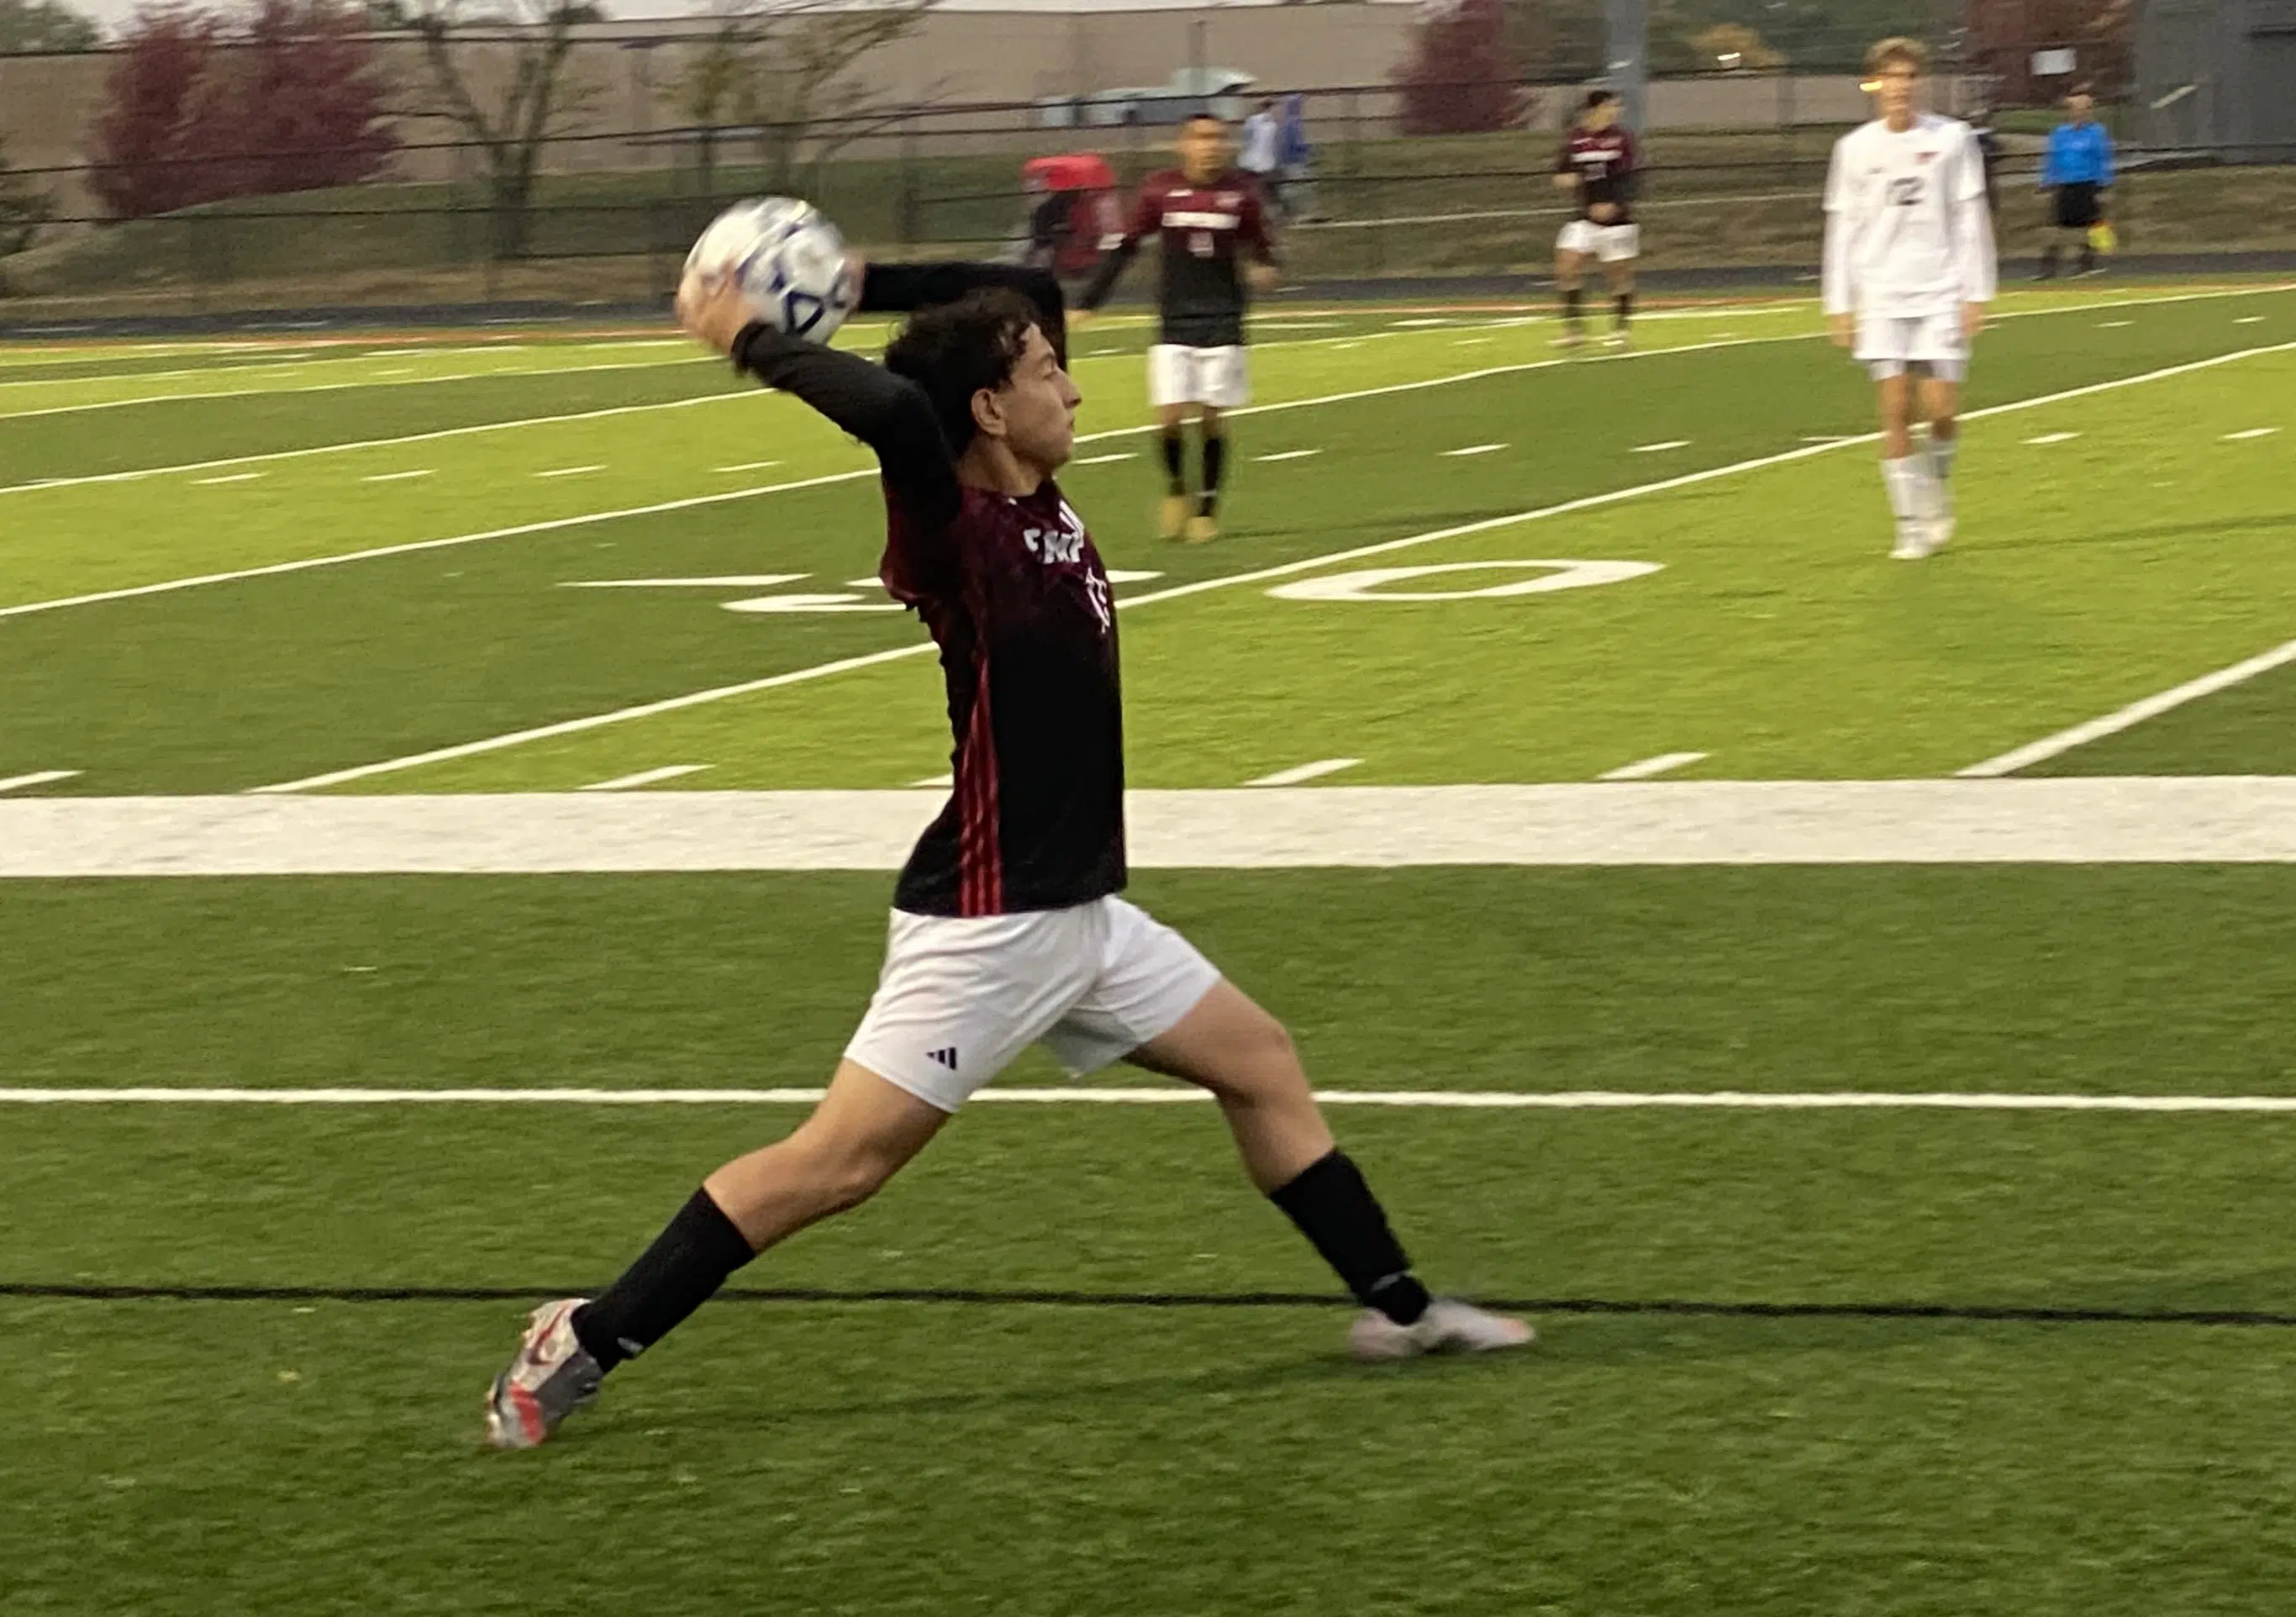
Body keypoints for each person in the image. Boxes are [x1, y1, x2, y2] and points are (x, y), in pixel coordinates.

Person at [482, 257, 1531, 1451]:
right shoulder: (954, 528)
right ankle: (584, 1339)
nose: (1076, 392)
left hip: (1082, 915)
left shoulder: (1037, 492)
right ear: (987, 407)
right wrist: (753, 337)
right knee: (835, 1168)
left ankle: (1397, 1312)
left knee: (1262, 1064)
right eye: (1045, 374)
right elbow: (887, 411)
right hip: (987, 924)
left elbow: (1022, 279)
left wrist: (854, 276)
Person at [1821, 37, 1996, 561]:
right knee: (1895, 408)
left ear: (1919, 83)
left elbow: (1970, 216)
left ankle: (1936, 486)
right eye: (1889, 78)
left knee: (1941, 410)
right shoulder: (1853, 149)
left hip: (1940, 289)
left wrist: (1977, 292)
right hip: (1881, 294)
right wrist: (1839, 301)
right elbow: (1843, 229)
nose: (1899, 87)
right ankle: (1908, 528)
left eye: (1908, 78)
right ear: (1874, 84)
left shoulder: (1952, 140)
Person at [1075, 113, 1279, 545]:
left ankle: (1207, 509)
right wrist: (1090, 301)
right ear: (1183, 144)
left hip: (1223, 317)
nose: (1212, 146)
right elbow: (1125, 247)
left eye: (1219, 138)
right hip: (1175, 318)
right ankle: (1175, 490)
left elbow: (1262, 247)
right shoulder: (1160, 190)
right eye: (1202, 138)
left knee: (1210, 416)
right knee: (1168, 417)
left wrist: (1265, 268)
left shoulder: (1242, 194)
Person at [1551, 89, 1641, 350]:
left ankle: (1621, 330)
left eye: (1616, 107)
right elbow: (1561, 174)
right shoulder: (1576, 139)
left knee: (1618, 275)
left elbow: (1631, 177)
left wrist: (1614, 204)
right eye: (1610, 106)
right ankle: (1573, 331)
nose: (1615, 111)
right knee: (1566, 265)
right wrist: (1568, 179)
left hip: (1617, 219)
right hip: (1585, 217)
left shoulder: (1622, 138)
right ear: (1594, 108)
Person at [2038, 87, 2114, 279]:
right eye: (2076, 108)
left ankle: (2088, 263)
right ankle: (2049, 268)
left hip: (2088, 184)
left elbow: (2102, 159)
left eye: (2085, 108)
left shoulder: (2096, 133)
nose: (2080, 112)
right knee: (2057, 227)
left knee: (2093, 225)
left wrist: (2105, 184)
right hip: (2066, 184)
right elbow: (2053, 159)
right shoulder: (2061, 133)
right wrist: (2047, 181)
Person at [1240, 96, 1282, 215]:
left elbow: (1247, 140)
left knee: (1266, 190)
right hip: (1260, 164)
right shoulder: (1266, 122)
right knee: (1266, 190)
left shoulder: (1264, 122)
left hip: (1258, 163)